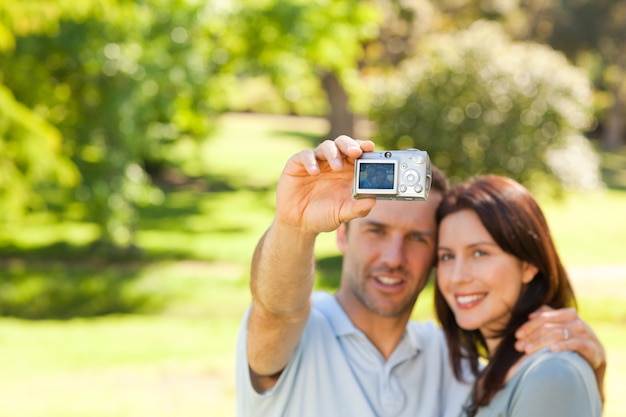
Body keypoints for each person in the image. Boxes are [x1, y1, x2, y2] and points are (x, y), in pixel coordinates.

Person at [236, 136, 606, 417]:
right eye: (376, 231)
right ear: (343, 234)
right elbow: (277, 310)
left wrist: (587, 375)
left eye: (418, 239)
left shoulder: (454, 361)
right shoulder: (303, 331)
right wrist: (294, 226)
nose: (394, 258)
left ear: (434, 257)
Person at [434, 175, 602, 417]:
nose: (457, 277)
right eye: (447, 256)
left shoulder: (551, 374)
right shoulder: (493, 373)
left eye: (480, 253)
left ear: (528, 265)